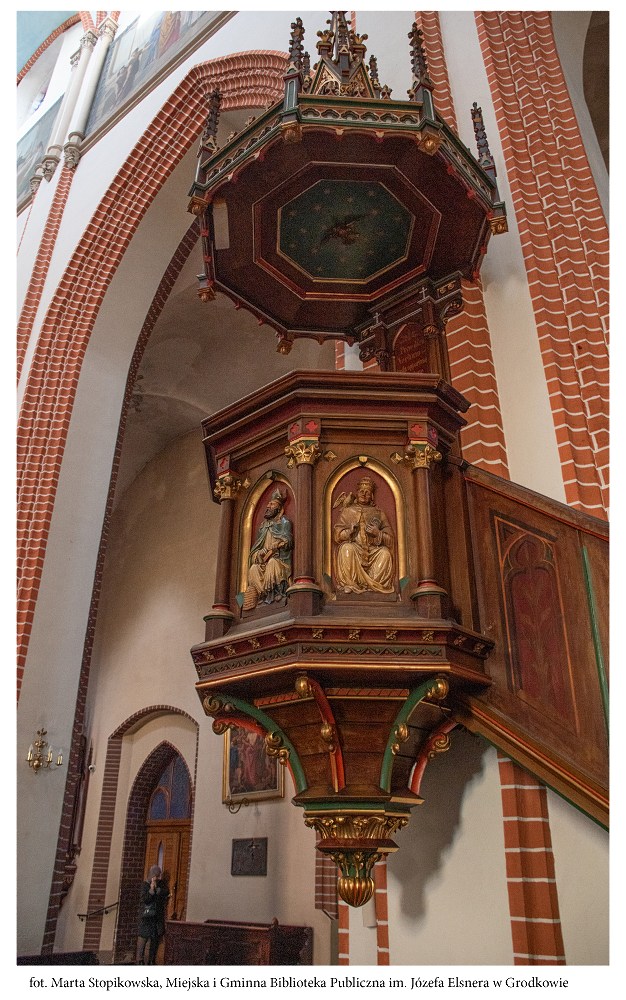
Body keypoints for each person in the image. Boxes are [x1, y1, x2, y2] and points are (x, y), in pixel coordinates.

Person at [333, 476, 395, 594]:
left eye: (367, 492)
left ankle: (374, 585)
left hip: (373, 551)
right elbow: (337, 536)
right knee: (346, 548)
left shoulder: (379, 513)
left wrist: (378, 533)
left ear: (372, 496)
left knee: (385, 553)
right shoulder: (348, 511)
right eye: (361, 491)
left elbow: (390, 540)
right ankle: (351, 583)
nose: (364, 494)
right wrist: (349, 532)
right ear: (356, 493)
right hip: (355, 549)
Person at [242, 490, 293, 610]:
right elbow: (255, 550)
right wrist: (259, 553)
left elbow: (288, 540)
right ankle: (263, 595)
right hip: (264, 561)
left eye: (272, 504)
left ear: (279, 508)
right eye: (268, 504)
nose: (268, 506)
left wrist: (280, 544)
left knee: (272, 563)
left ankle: (277, 592)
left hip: (280, 560)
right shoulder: (263, 527)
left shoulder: (285, 522)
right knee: (253, 569)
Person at [136, 865, 169, 964]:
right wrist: (151, 890)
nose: (158, 878)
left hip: (156, 918)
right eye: (157, 875)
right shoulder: (145, 885)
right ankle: (140, 960)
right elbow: (145, 899)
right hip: (146, 917)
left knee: (154, 940)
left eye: (159, 875)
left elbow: (166, 891)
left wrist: (158, 890)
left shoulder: (160, 884)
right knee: (143, 939)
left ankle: (151, 961)